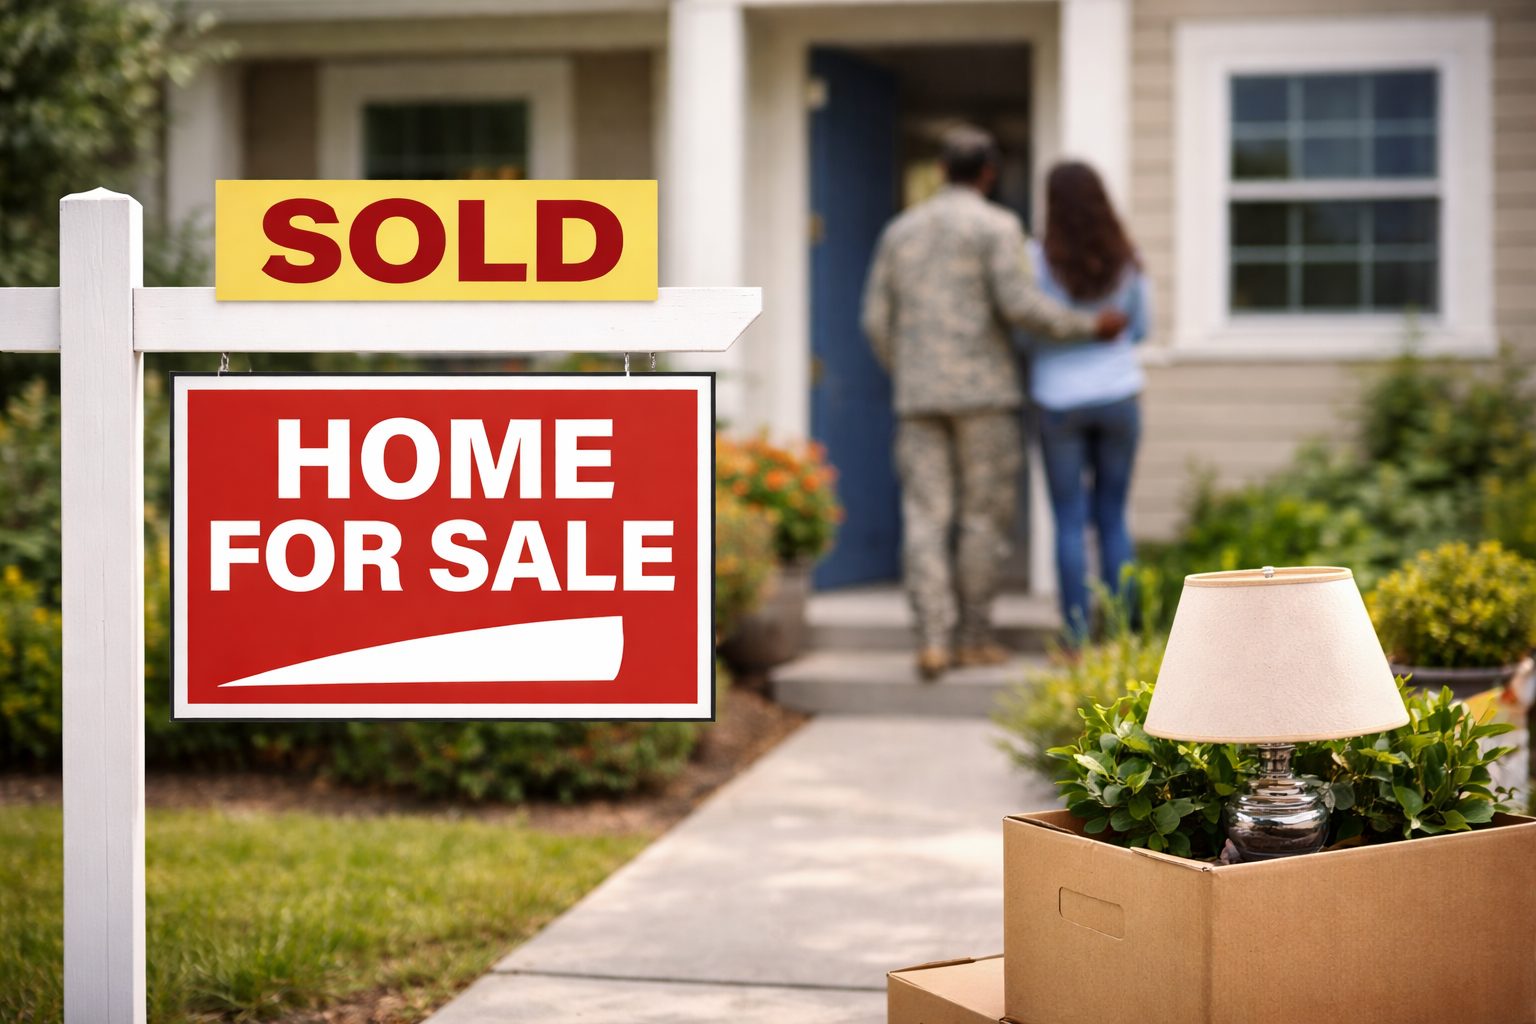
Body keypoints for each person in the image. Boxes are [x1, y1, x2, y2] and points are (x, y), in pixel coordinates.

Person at [861, 127, 1127, 681]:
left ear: (941, 170)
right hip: (986, 396)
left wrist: (907, 370)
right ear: (988, 174)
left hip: (919, 397)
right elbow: (1020, 304)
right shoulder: (998, 226)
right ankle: (974, 638)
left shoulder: (900, 230)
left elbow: (874, 320)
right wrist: (1088, 326)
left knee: (925, 517)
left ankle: (932, 639)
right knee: (982, 519)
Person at [1021, 160, 1150, 644]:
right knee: (1113, 516)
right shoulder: (1127, 257)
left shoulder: (1034, 259)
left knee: (1069, 520)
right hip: (1119, 394)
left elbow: (1025, 329)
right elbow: (1142, 327)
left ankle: (1075, 640)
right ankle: (1120, 636)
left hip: (1057, 400)